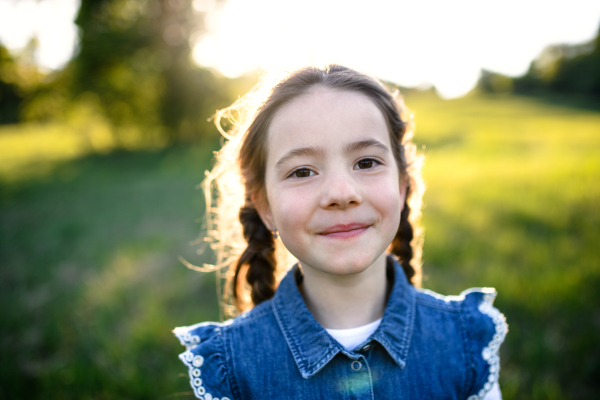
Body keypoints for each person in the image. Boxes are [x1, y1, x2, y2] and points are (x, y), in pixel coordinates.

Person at [173, 65, 507, 399]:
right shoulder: (231, 368)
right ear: (265, 207)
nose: (340, 193)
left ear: (403, 185)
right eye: (302, 171)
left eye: (366, 163)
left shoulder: (463, 342)